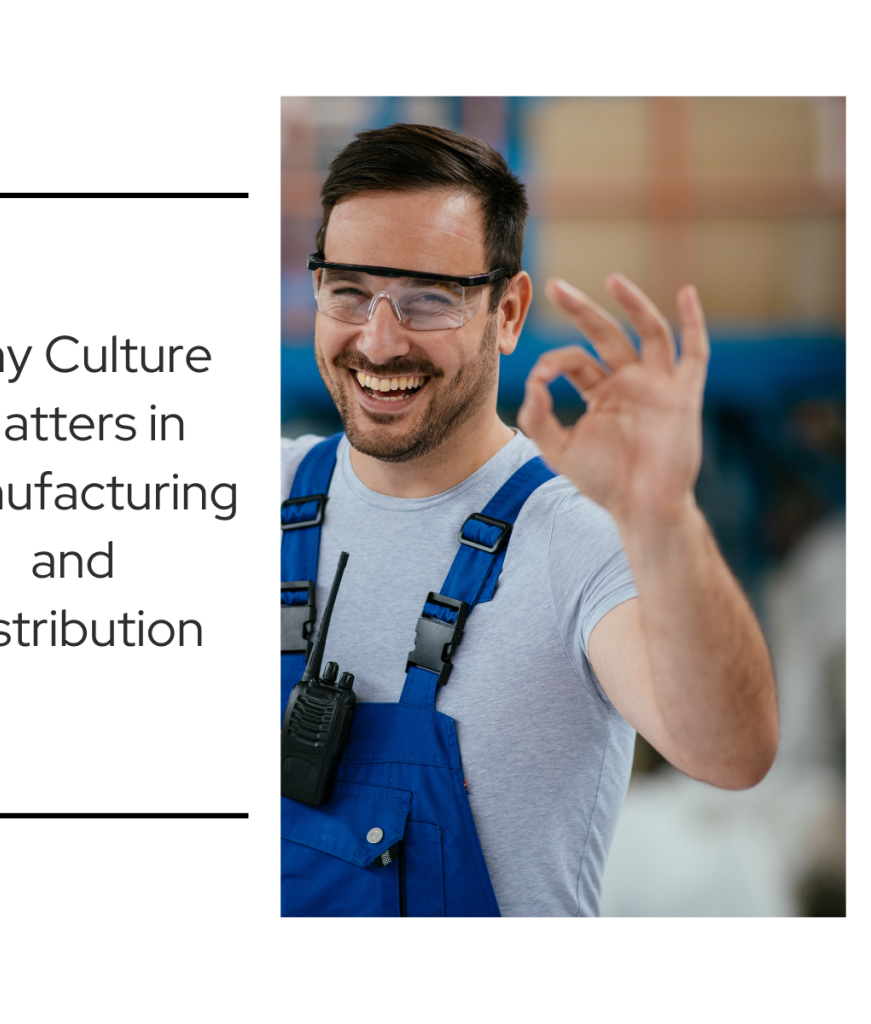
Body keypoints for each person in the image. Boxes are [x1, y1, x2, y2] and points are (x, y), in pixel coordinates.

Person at [280, 123, 778, 917]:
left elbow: (731, 754)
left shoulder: (577, 539)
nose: (378, 340)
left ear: (508, 313)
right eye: (349, 292)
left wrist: (662, 517)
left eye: (428, 300)